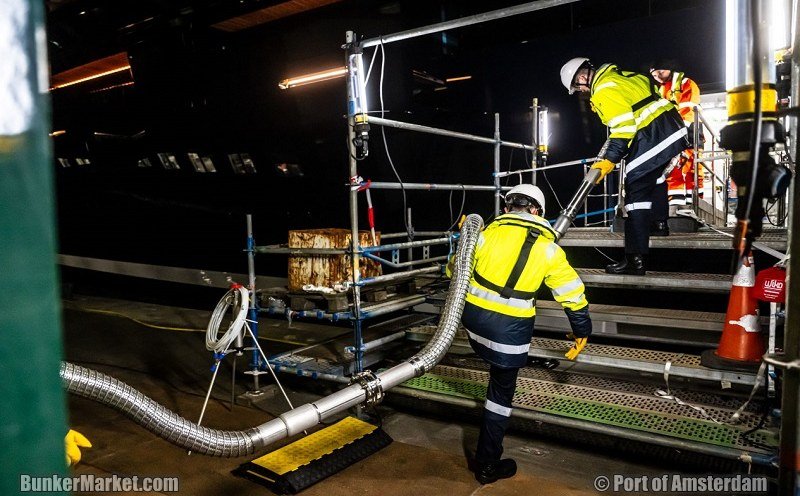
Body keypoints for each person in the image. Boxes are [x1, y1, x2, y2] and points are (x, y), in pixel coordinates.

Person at [448, 184, 592, 484]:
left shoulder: (483, 236)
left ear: (506, 208)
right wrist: (581, 330)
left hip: (470, 322)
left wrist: (463, 244)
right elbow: (571, 293)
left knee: (492, 360)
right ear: (537, 212)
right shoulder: (549, 250)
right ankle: (487, 465)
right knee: (499, 395)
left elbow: (453, 272)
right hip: (508, 334)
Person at [559, 57, 690, 275]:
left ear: (582, 77)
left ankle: (635, 260)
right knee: (654, 176)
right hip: (673, 127)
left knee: (635, 191)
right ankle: (659, 224)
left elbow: (624, 128)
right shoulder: (623, 76)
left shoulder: (603, 90)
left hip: (653, 134)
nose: (582, 91)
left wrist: (609, 160)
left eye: (578, 87)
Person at [650, 61, 704, 211]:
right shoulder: (661, 90)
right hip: (672, 135)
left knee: (693, 169)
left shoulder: (686, 83)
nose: (658, 76)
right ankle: (676, 204)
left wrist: (678, 132)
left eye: (660, 72)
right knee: (674, 168)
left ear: (670, 69)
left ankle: (695, 204)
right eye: (654, 75)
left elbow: (688, 110)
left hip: (690, 133)